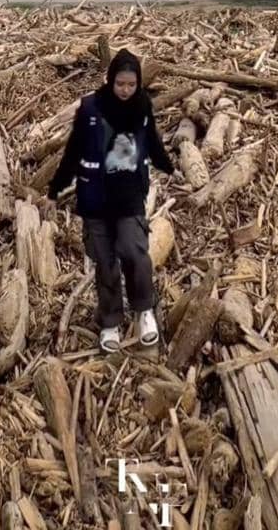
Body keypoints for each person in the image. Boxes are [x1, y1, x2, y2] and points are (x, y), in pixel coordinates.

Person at [46, 48, 177, 352]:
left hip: (130, 195)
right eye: (120, 84)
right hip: (96, 198)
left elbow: (153, 142)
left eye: (131, 85)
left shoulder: (142, 106)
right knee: (104, 262)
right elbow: (73, 151)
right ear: (110, 80)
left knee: (134, 250)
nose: (126, 90)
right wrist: (54, 191)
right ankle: (110, 322)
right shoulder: (91, 108)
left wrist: (169, 167)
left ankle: (144, 309)